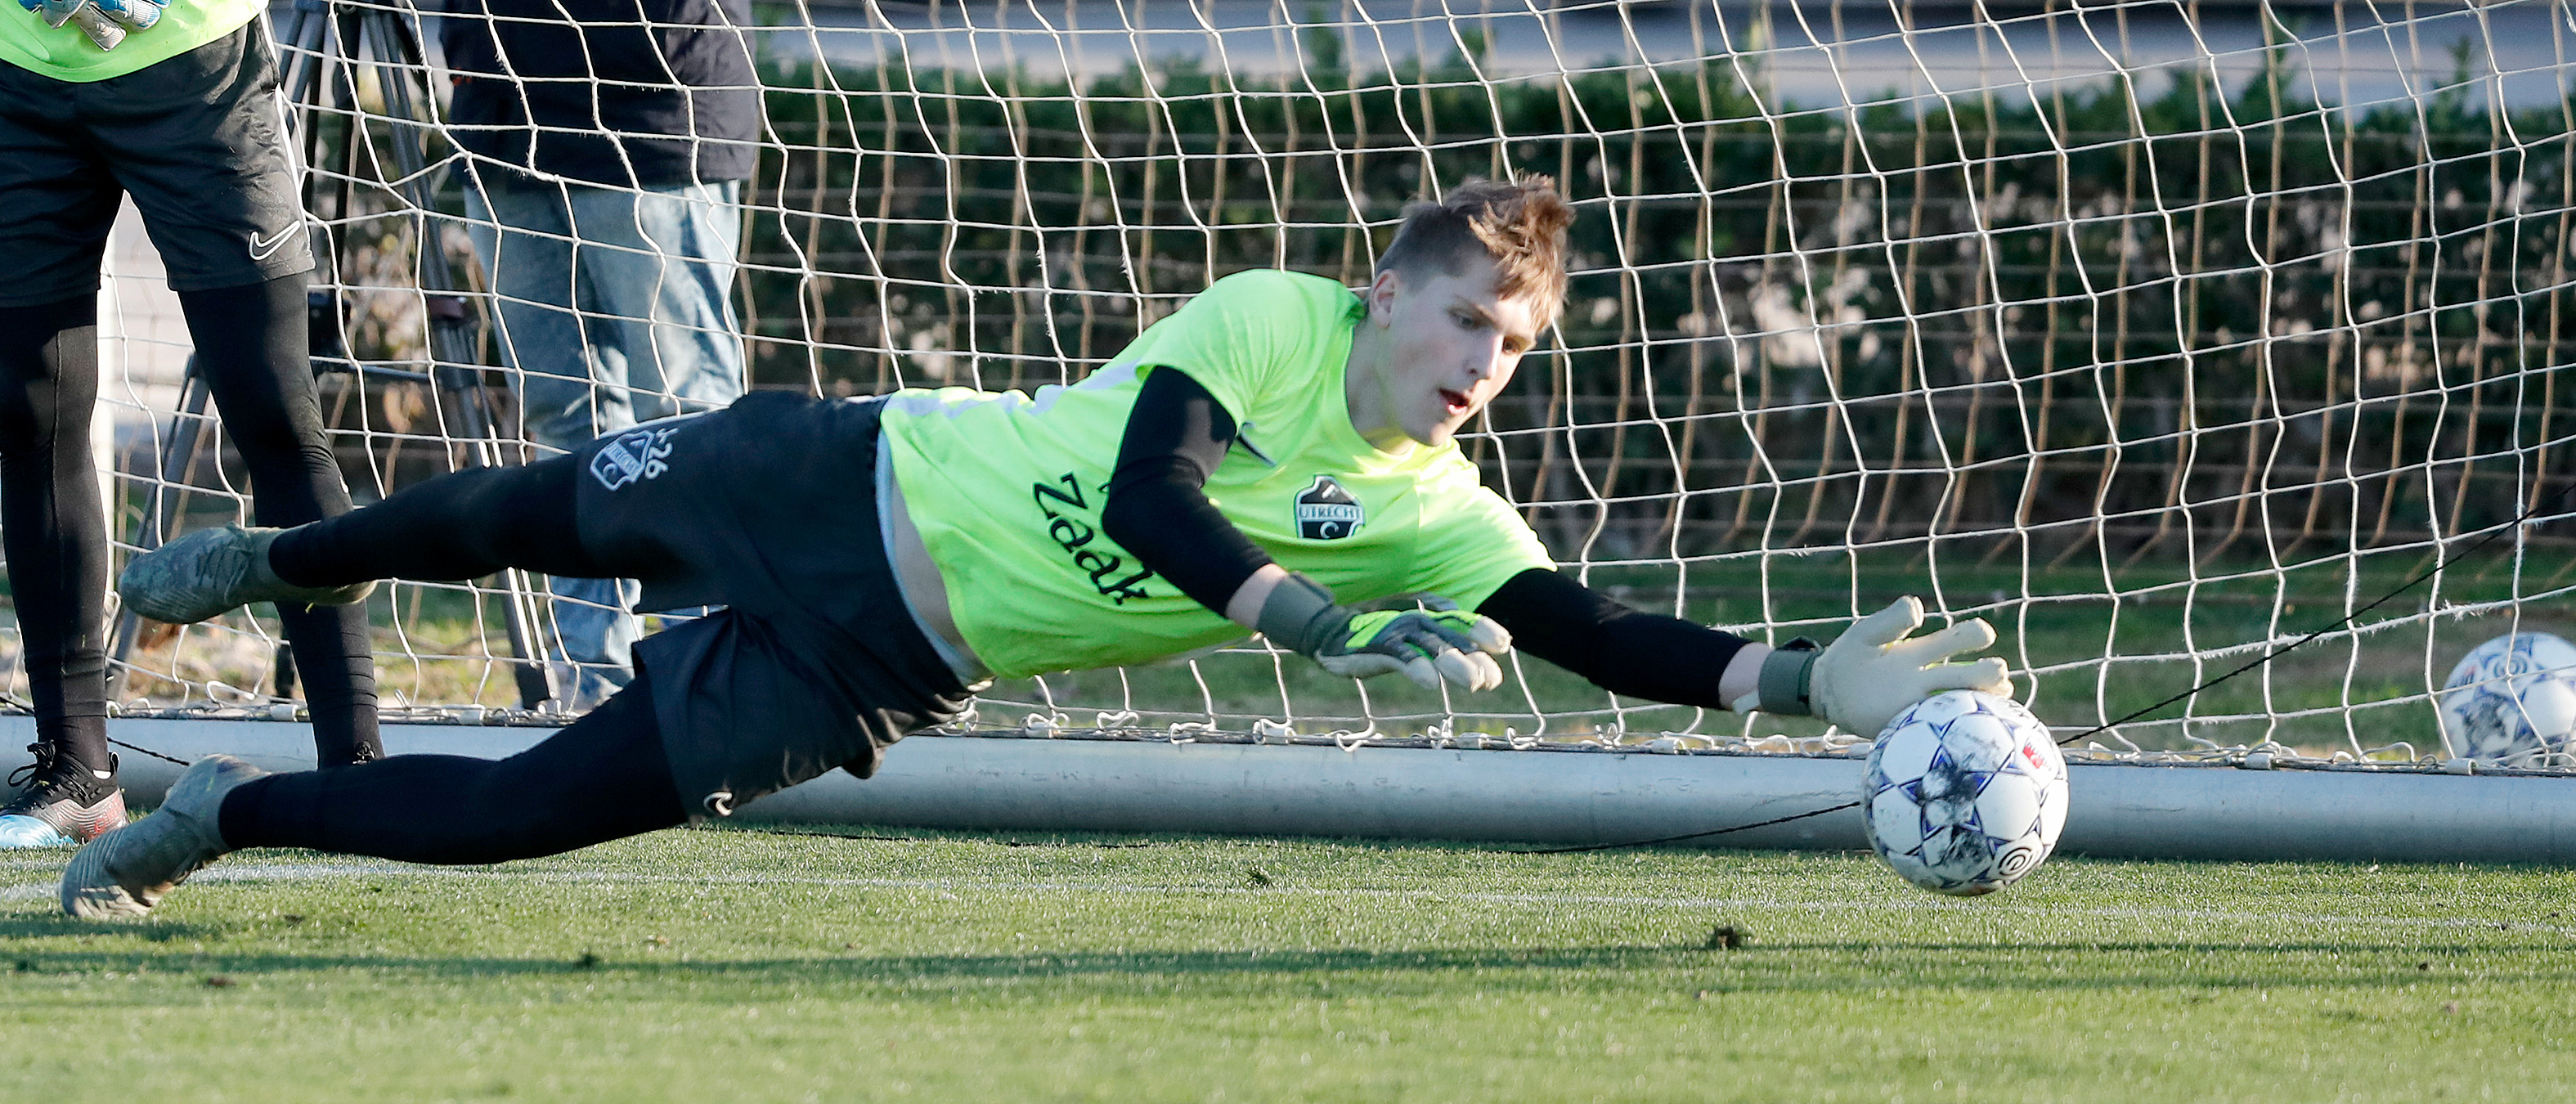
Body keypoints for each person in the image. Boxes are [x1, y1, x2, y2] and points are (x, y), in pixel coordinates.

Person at [65, 175, 2009, 918]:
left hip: (869, 665)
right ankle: (284, 559)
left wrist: (1791, 676)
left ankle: (216, 820)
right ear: (1385, 298)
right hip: (850, 473)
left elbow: (1589, 623)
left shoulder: (1437, 511)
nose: (1490, 374)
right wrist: (1299, 616)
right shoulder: (1268, 318)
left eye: (1520, 352)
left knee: (512, 818)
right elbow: (1162, 494)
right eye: (1475, 331)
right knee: (510, 512)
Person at [0, 0, 382, 850]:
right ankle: (79, 772)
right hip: (17, 77)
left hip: (200, 70)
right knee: (28, 416)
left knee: (273, 413)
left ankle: (358, 772)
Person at [442, 0, 760, 711]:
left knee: (685, 414)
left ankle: (708, 690)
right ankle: (592, 690)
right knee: (563, 417)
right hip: (501, 119)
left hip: (653, 109)